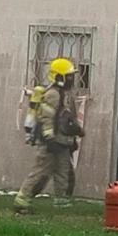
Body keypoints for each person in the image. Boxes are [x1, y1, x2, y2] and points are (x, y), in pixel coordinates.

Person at [13, 57, 84, 213]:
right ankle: (22, 201)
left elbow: (66, 118)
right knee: (41, 172)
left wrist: (74, 136)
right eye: (69, 76)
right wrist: (49, 138)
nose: (72, 79)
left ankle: (61, 203)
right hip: (50, 143)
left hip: (62, 141)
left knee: (63, 172)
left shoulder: (65, 94)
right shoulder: (53, 94)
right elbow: (47, 118)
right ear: (59, 77)